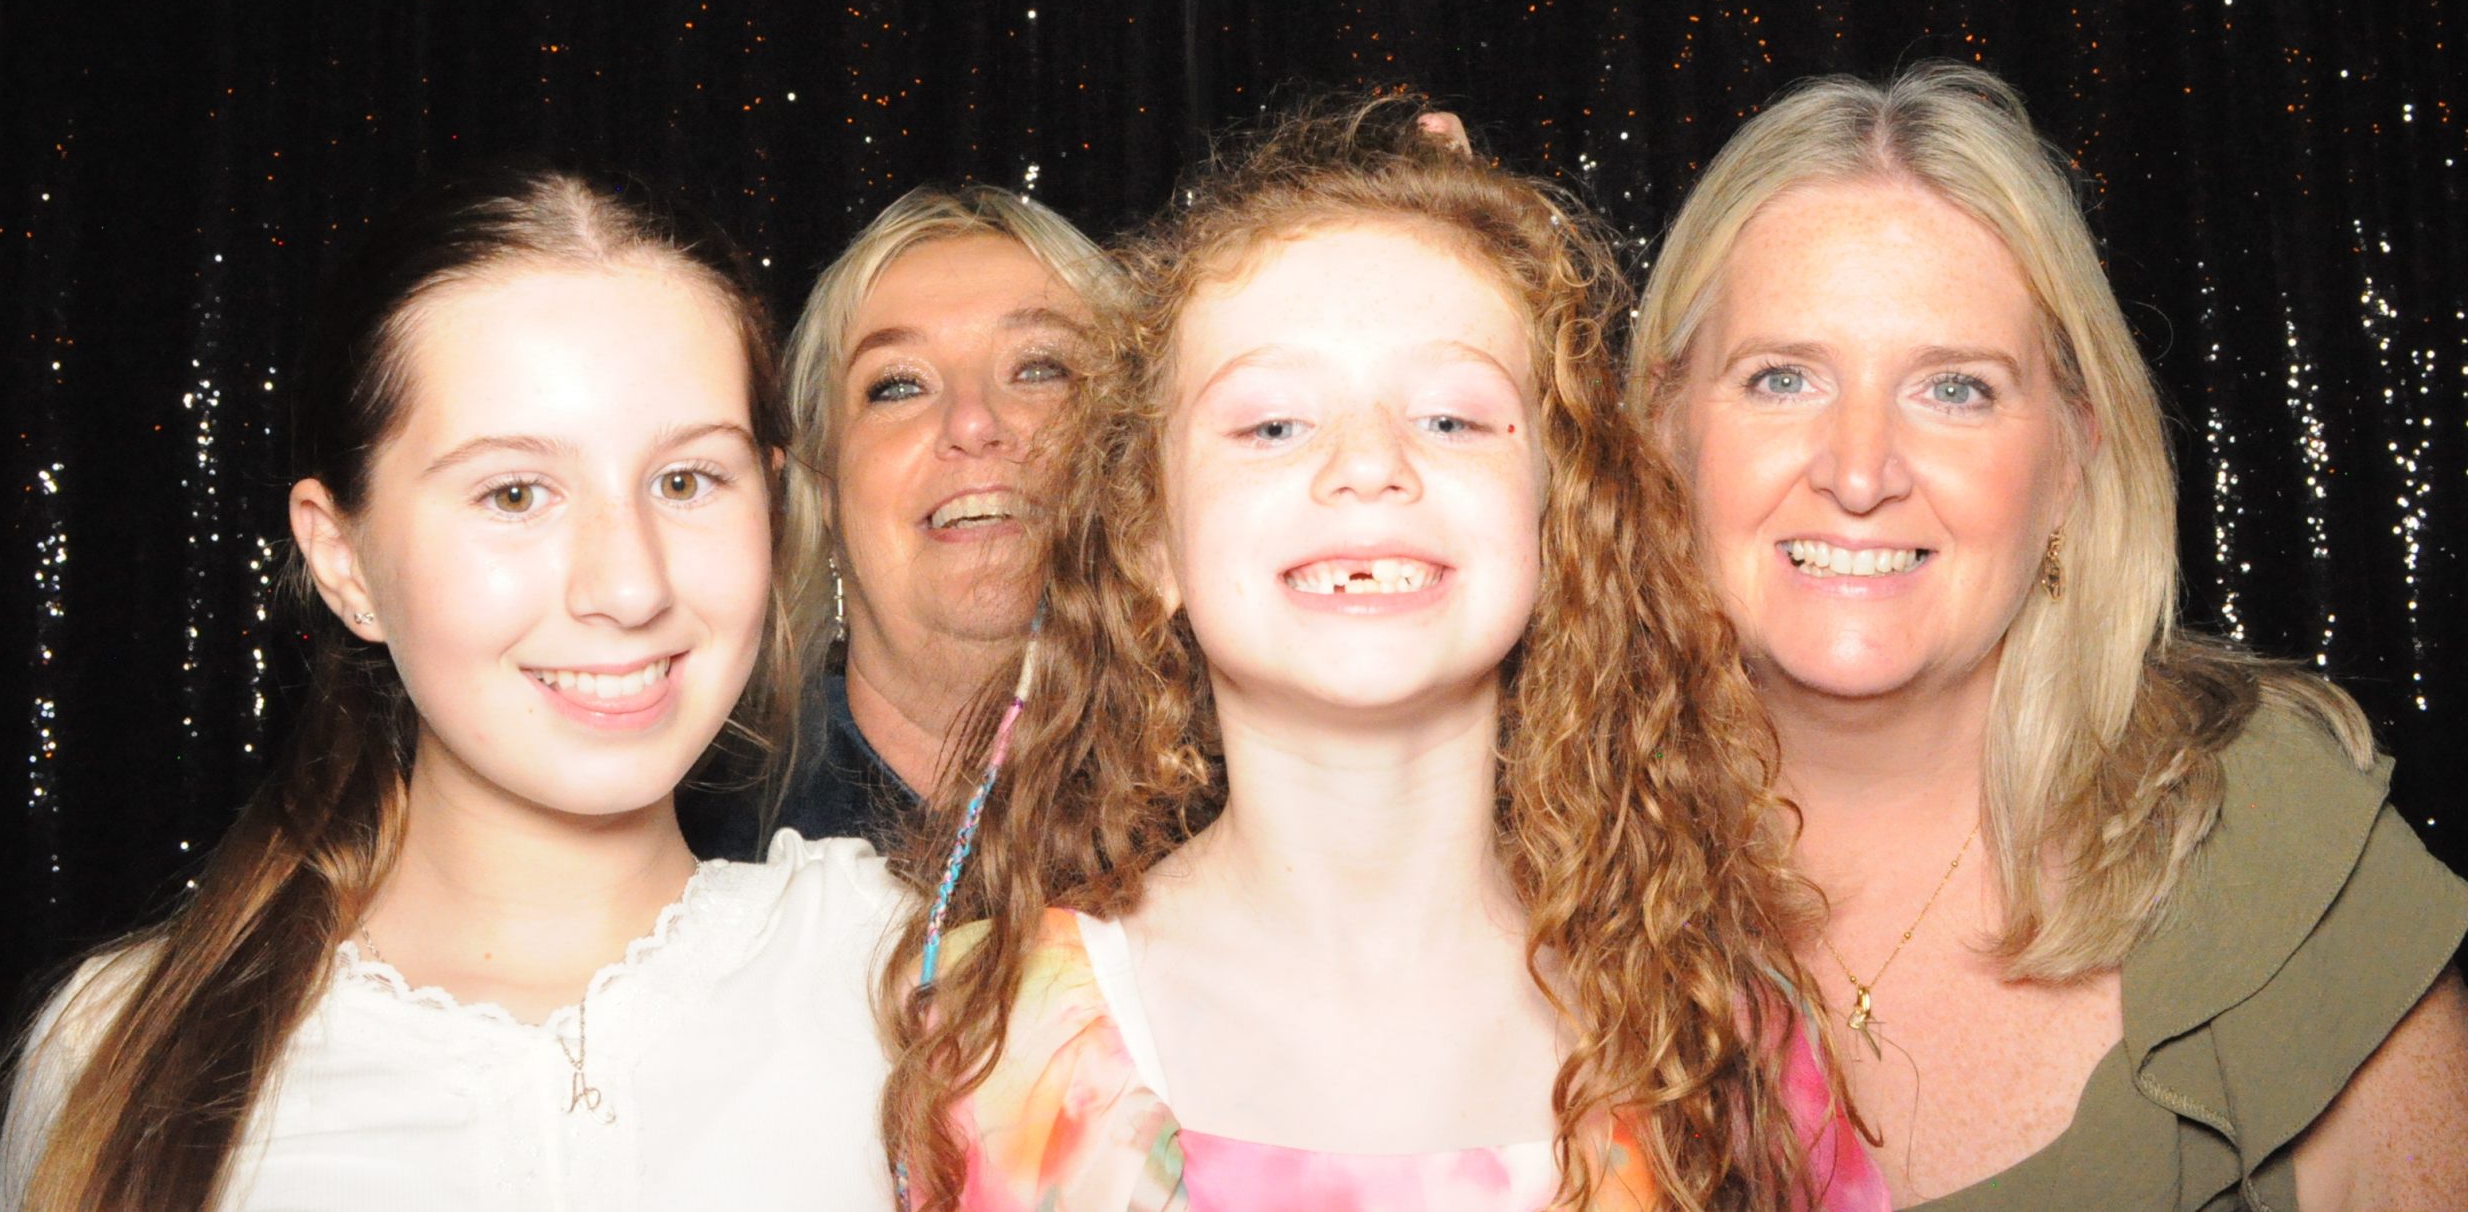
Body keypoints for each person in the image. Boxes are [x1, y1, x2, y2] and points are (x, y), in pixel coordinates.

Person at [884, 99, 1887, 1212]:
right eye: (1272, 425)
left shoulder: (1715, 1037)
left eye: (1451, 419)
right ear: (1149, 537)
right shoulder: (994, 1037)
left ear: (1560, 522)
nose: (1368, 465)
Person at [1625, 61, 2468, 1210]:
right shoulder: (1525, 862)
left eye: (1955, 389)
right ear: (1664, 430)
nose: (1859, 472)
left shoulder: (2278, 856)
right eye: (1782, 377)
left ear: (2072, 456)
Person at [0, 168, 904, 1212]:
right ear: (342, 561)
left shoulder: (921, 988)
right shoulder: (116, 1051)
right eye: (513, 493)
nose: (630, 586)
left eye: (686, 480)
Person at [692, 186, 1115, 859]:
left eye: (1040, 369)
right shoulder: (699, 851)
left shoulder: (1259, 809)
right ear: (822, 486)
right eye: (899, 385)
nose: (972, 421)